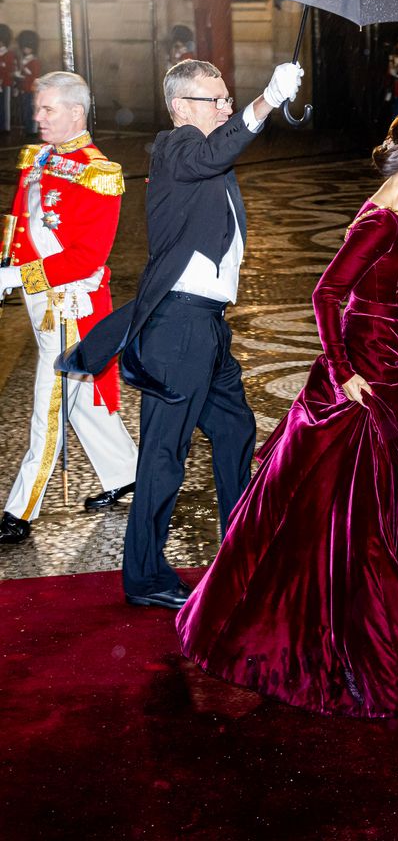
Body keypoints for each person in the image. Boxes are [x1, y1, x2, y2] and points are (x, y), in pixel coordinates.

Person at [176, 110, 398, 718]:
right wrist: (343, 368)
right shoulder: (378, 223)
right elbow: (326, 292)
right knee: (360, 496)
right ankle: (354, 622)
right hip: (365, 375)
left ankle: (397, 605)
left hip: (389, 364)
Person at [60, 58, 303, 609]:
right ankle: (144, 577)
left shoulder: (206, 158)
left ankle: (246, 548)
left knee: (236, 430)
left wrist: (250, 112)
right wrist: (263, 103)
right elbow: (214, 151)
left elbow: (218, 160)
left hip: (208, 328)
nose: (224, 107)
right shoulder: (174, 147)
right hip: (178, 329)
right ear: (180, 108)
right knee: (165, 454)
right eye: (213, 100)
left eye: (227, 99)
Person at [0, 72, 137, 545]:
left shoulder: (100, 173)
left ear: (76, 113)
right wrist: (6, 261)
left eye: (48, 110)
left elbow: (86, 257)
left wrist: (16, 275)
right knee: (78, 399)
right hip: (39, 302)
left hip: (71, 307)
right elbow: (19, 218)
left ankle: (20, 510)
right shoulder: (37, 157)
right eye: (38, 109)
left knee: (50, 406)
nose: (37, 118)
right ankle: (126, 471)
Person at [16, 31, 41, 136]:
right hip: (24, 88)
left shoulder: (34, 61)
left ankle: (33, 130)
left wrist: (24, 69)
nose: (25, 49)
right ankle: (28, 129)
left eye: (27, 47)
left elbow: (34, 75)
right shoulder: (24, 60)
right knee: (25, 109)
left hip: (31, 89)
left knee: (32, 109)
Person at [0, 24, 17, 134]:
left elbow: (10, 70)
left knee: (5, 106)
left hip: (5, 83)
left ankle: (6, 127)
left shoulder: (9, 54)